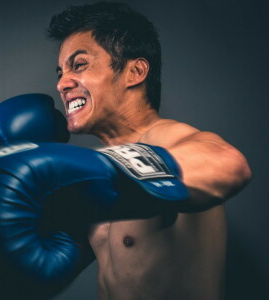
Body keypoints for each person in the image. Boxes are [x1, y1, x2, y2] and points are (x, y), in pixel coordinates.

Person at [46, 2, 251, 299]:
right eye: (60, 72)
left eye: (79, 65)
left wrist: (102, 170)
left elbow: (231, 165)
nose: (62, 83)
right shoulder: (97, 173)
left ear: (135, 71)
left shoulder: (171, 139)